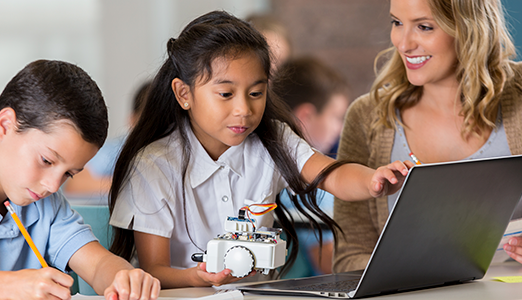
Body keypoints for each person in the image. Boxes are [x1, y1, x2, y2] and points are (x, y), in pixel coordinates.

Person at [107, 10, 411, 289]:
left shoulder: (272, 139)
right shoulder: (154, 164)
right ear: (184, 94)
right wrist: (197, 277)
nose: (244, 109)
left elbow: (332, 174)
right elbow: (154, 269)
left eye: (256, 93)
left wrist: (374, 180)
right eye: (225, 93)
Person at [332, 0, 522, 273]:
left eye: (424, 27)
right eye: (397, 23)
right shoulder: (366, 117)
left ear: (469, 28)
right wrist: (419, 273)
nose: (403, 43)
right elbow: (349, 259)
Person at [0, 60, 160, 300]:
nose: (53, 186)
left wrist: (125, 277)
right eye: (46, 160)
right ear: (5, 125)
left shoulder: (47, 206)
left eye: (68, 174)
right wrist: (7, 285)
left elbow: (97, 265)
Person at [272, 56, 350, 275]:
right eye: (336, 117)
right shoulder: (320, 179)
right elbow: (329, 263)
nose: (340, 129)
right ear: (305, 116)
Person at [63, 81, 151, 197]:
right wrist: (135, 187)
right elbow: (75, 183)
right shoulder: (115, 150)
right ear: (133, 121)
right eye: (149, 121)